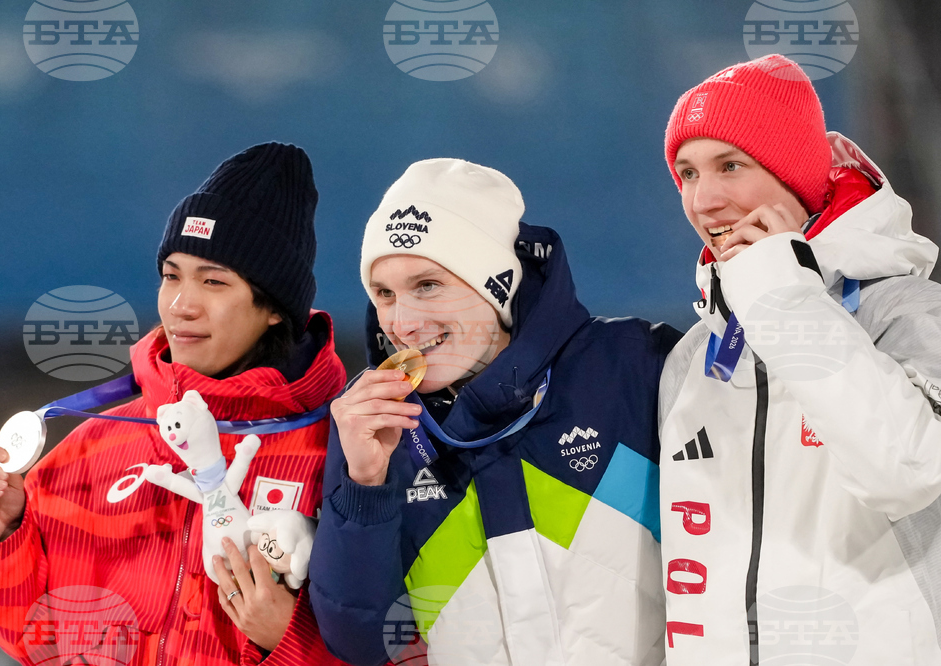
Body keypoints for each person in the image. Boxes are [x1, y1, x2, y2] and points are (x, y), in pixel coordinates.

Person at [0, 142, 350, 666]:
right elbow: (33, 637)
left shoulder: (342, 456)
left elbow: (399, 646)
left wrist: (288, 640)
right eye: (172, 275)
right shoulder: (96, 444)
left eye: (213, 281)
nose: (181, 305)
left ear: (275, 307)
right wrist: (1, 536)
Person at [308, 158, 680, 666]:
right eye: (385, 295)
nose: (404, 322)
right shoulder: (373, 424)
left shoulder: (633, 366)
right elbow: (364, 642)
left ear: (495, 285)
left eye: (428, 285)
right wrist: (364, 486)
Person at [659, 54, 941, 664]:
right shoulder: (692, 358)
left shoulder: (910, 314)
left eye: (730, 165)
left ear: (797, 176)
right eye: (686, 173)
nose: (704, 200)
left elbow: (905, 471)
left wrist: (781, 288)